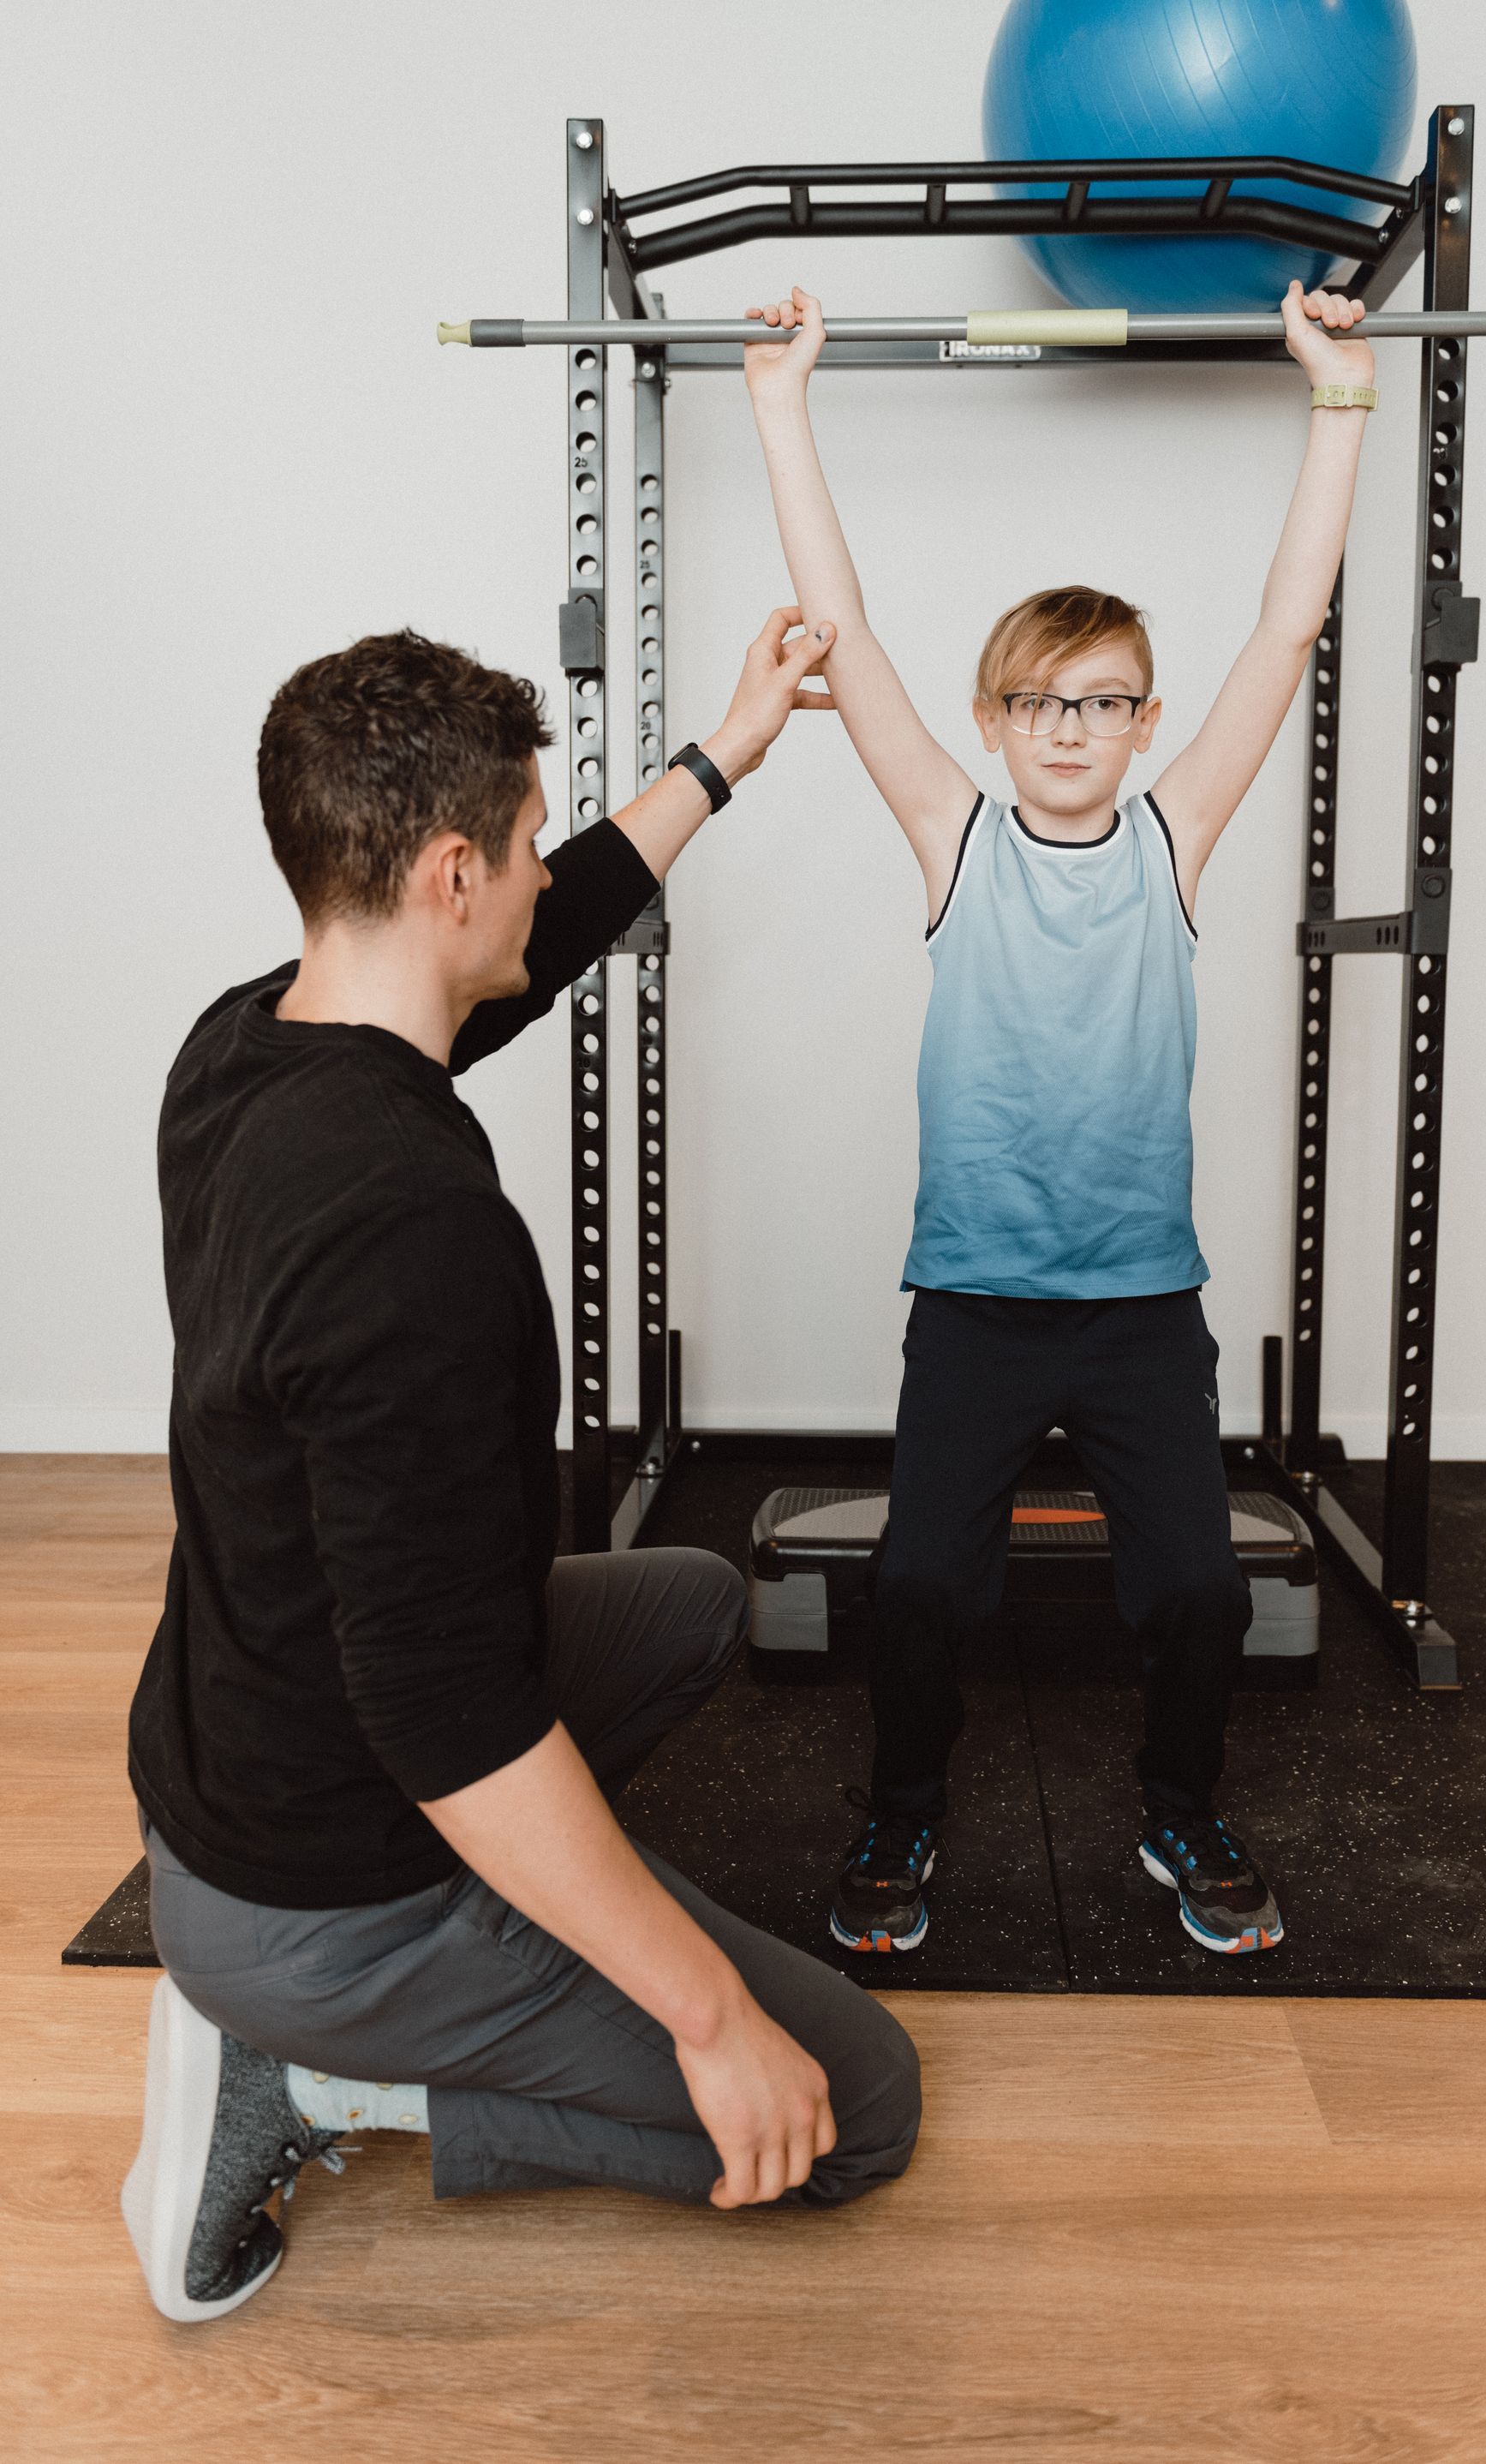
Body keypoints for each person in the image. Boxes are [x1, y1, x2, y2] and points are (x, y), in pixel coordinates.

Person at [122, 612, 922, 2325]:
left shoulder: (251, 1043)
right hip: (326, 1888)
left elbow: (534, 949)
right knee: (852, 2104)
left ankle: (461, 1966)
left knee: (692, 1606)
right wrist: (706, 2013)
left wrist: (723, 756)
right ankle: (325, 2085)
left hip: (245, 1752)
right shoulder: (417, 1240)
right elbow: (447, 1725)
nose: (541, 875)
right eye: (527, 842)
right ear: (448, 873)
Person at [743, 279, 1378, 1959]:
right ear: (996, 721)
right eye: (1043, 703)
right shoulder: (958, 841)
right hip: (973, 1303)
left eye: (1105, 703)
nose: (1075, 731)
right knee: (924, 1588)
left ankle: (1180, 1810)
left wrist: (1340, 400)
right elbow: (849, 631)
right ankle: (902, 1818)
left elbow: (1285, 631)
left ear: (1146, 723)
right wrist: (780, 401)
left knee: (1197, 1588)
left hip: (1136, 1308)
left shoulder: (1175, 840)